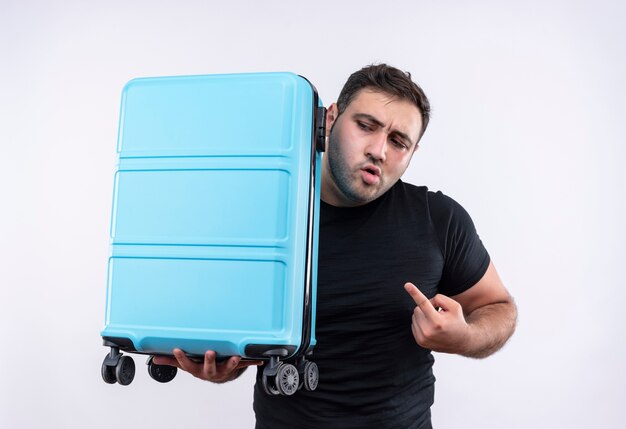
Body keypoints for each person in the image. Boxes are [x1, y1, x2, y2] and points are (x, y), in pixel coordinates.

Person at [154, 64, 518, 428]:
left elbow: (498, 306)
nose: (378, 150)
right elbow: (242, 337)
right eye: (365, 125)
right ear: (330, 119)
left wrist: (465, 336)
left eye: (398, 141)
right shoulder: (262, 214)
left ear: (412, 152)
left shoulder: (439, 219)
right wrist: (224, 365)